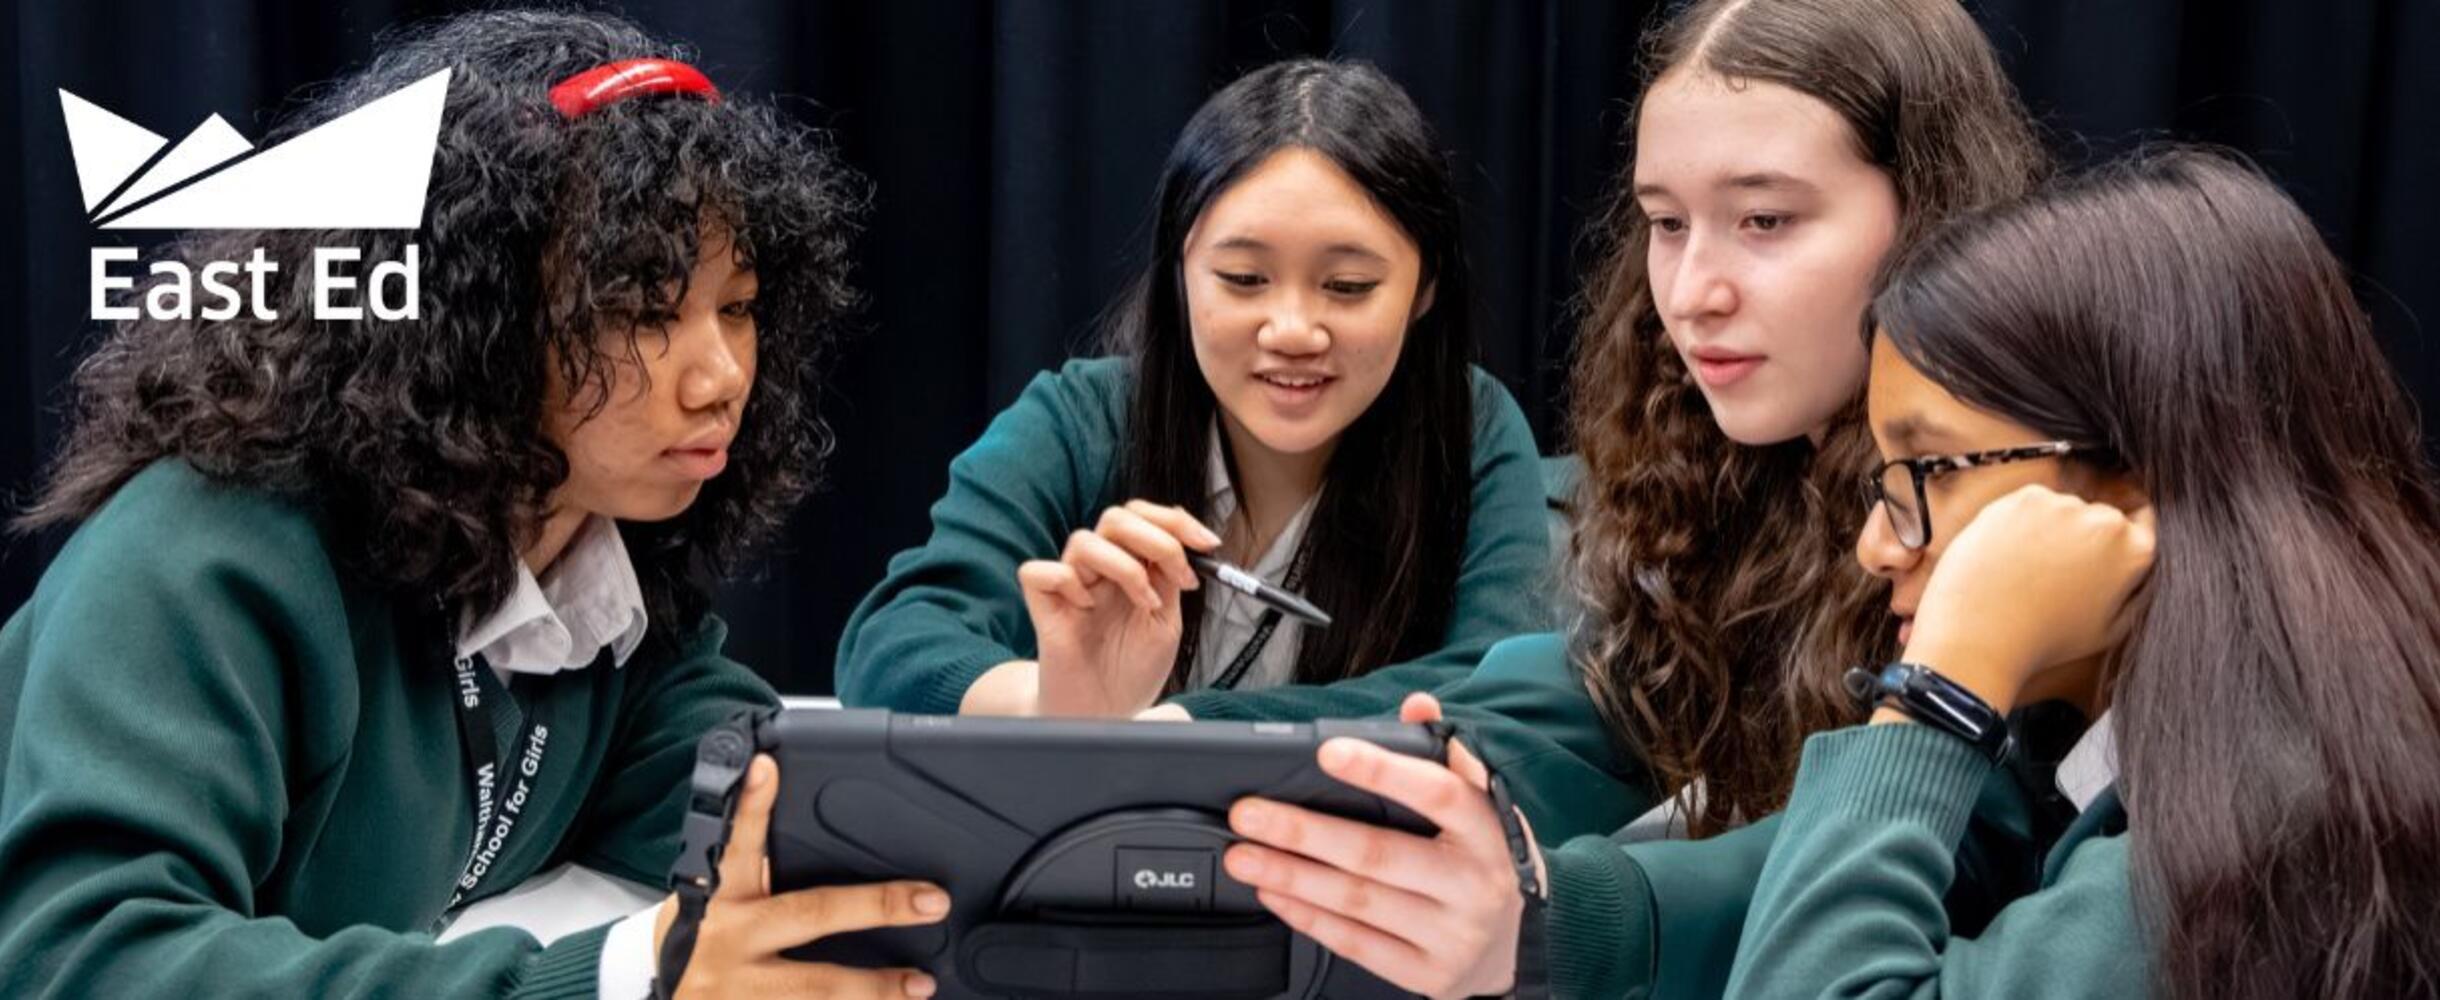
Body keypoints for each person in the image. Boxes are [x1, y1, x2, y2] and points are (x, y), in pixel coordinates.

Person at [0, 11, 946, 998]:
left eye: (738, 308)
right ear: (472, 324)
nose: (719, 378)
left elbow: (790, 826)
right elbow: (80, 954)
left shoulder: (604, 594)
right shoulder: (205, 557)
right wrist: (622, 977)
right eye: (643, 312)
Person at [1216, 2, 2065, 997]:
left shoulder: (2031, 485)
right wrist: (1184, 757)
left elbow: (1944, 828)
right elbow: (1585, 695)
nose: (1692, 289)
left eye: (1764, 220)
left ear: (1930, 212)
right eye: (1665, 223)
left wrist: (1550, 917)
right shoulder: (1731, 463)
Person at [1726, 148, 2440, 999]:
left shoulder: (2279, 827)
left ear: (2141, 478)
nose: (1876, 545)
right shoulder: (2110, 739)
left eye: (1936, 469)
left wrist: (1939, 690)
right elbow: (1763, 890)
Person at [834, 58, 1553, 722]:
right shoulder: (1080, 420)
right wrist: (1059, 700)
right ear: (1180, 272)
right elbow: (892, 645)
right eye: (1243, 280)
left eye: (1348, 287)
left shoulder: (1471, 429)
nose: (1293, 329)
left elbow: (1496, 691)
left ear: (1425, 288)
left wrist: (1181, 730)